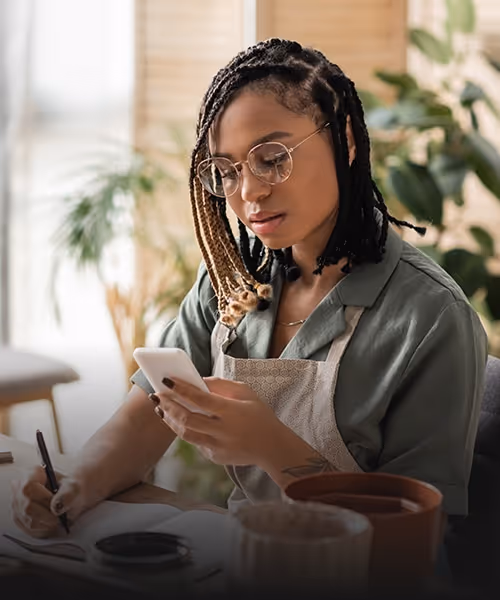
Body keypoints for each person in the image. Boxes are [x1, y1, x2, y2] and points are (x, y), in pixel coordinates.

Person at [12, 38, 487, 538]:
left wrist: (272, 446)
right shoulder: (235, 277)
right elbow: (145, 418)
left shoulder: (431, 318)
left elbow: (415, 544)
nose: (249, 192)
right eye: (226, 171)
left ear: (345, 140)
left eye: (272, 158)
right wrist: (74, 486)